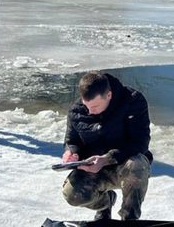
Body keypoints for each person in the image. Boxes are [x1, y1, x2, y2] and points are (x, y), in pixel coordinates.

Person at [62, 71, 152, 221]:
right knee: (72, 194)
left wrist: (106, 159)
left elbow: (140, 143)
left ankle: (129, 218)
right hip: (93, 168)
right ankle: (105, 204)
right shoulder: (76, 110)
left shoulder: (133, 101)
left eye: (95, 106)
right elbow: (72, 141)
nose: (90, 111)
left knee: (137, 165)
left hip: (124, 164)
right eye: (87, 106)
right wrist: (72, 153)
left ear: (108, 95)